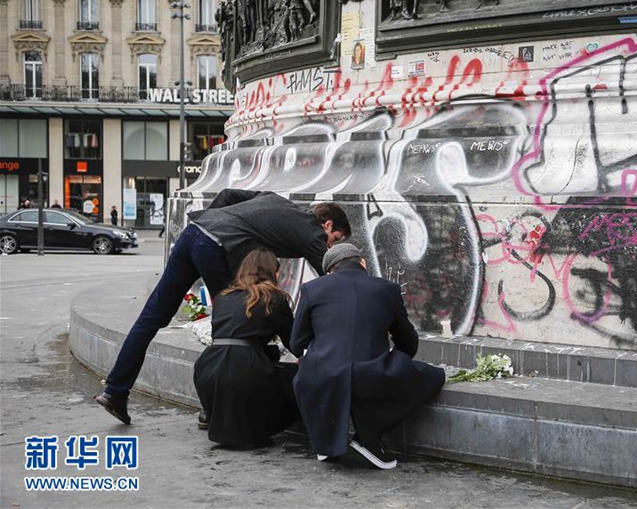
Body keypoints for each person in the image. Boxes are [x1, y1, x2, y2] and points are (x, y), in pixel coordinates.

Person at [94, 189, 351, 425]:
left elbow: (227, 195)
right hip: (216, 247)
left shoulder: (274, 199)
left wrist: (211, 220)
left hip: (195, 231)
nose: (328, 246)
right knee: (237, 322)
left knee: (152, 317)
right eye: (334, 239)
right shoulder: (312, 231)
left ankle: (115, 391)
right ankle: (214, 408)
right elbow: (337, 278)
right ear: (327, 224)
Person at [290, 243, 445, 469]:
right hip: (371, 374)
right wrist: (394, 363)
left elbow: (296, 343)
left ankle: (327, 444)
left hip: (319, 376)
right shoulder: (386, 289)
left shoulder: (312, 288)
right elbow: (407, 341)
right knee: (433, 377)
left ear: (330, 271)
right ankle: (368, 436)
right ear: (362, 262)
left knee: (325, 373)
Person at [194, 248, 299, 446]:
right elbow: (294, 342)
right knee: (297, 375)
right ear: (270, 272)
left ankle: (210, 412)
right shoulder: (272, 298)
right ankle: (262, 423)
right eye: (278, 271)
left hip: (208, 367)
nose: (279, 275)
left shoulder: (224, 297)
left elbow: (235, 338)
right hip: (245, 371)